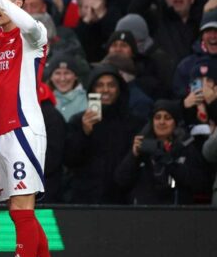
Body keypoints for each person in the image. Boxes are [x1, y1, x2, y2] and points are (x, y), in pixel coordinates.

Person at [0, 0, 64, 257]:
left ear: (18, 3)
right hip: (1, 132)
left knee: (23, 208)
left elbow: (30, 24)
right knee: (20, 212)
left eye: (2, 1)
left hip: (24, 129)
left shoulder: (32, 35)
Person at [64, 64, 145, 204]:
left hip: (122, 200)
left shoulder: (134, 123)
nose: (105, 90)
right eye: (99, 85)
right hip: (84, 200)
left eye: (111, 85)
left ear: (119, 89)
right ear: (92, 90)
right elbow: (70, 160)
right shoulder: (78, 121)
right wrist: (84, 133)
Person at [115, 100, 211, 204]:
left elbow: (200, 183)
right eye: (157, 117)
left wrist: (169, 162)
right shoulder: (143, 146)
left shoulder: (186, 146)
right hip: (144, 212)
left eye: (168, 118)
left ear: (176, 122)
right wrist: (133, 155)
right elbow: (121, 180)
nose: (162, 122)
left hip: (177, 212)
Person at [45, 54, 87, 122]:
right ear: (51, 77)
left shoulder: (87, 99)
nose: (62, 79)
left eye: (67, 73)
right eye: (57, 73)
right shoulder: (43, 100)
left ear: (75, 76)